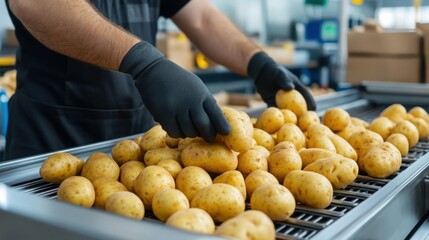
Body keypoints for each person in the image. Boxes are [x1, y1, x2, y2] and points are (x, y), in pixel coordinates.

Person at [5, 0, 316, 160]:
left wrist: (256, 61)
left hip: (138, 148)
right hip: (52, 141)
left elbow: (201, 17)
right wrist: (143, 61)